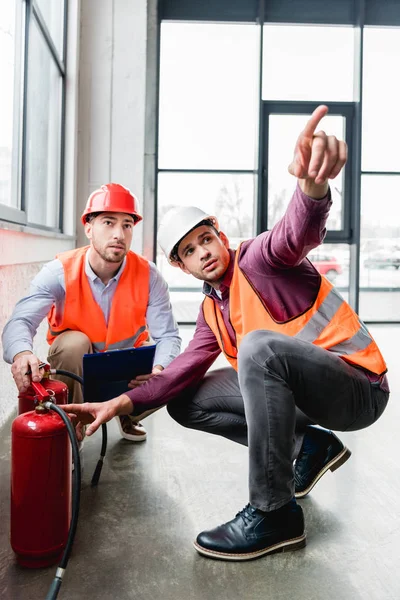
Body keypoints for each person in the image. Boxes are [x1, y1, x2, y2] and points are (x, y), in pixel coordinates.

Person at [63, 107, 389, 560]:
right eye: (190, 251)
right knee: (185, 399)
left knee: (257, 347)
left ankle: (274, 512)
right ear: (181, 266)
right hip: (310, 396)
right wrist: (119, 404)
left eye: (206, 239)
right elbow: (179, 373)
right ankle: (308, 445)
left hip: (358, 390)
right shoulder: (210, 311)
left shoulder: (261, 259)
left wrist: (312, 186)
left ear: (220, 233)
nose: (204, 253)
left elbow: (296, 232)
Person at [2, 183, 181, 442]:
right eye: (108, 222)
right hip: (79, 369)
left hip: (126, 373)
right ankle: (71, 427)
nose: (119, 233)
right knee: (73, 343)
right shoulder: (58, 271)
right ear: (88, 227)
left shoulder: (149, 275)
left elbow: (168, 337)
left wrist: (158, 370)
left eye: (127, 225)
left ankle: (126, 413)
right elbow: (21, 320)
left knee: (174, 374)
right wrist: (22, 353)